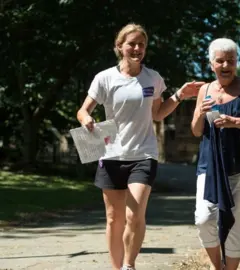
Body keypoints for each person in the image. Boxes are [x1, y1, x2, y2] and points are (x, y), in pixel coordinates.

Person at [76, 23, 204, 270]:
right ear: (119, 47)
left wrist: (179, 95)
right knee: (114, 219)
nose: (137, 49)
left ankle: (129, 265)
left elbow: (158, 114)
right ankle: (116, 268)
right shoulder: (105, 78)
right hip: (112, 153)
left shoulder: (153, 78)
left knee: (134, 214)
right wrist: (87, 119)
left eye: (141, 45)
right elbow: (83, 110)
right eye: (131, 44)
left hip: (144, 154)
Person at [191, 38, 240, 270]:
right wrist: (199, 113)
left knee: (234, 222)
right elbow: (196, 131)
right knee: (204, 219)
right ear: (211, 63)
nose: (226, 65)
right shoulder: (204, 90)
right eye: (220, 61)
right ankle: (219, 266)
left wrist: (235, 121)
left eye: (231, 61)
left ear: (236, 62)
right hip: (210, 164)